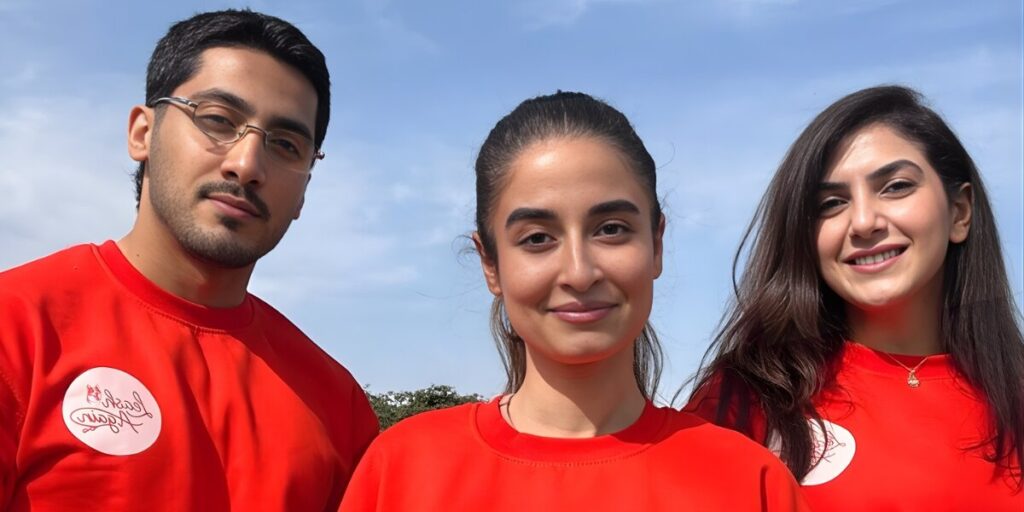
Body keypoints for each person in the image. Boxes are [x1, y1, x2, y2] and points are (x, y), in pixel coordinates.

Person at [340, 91, 808, 511]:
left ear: (656, 244)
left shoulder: (750, 482)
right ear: (490, 265)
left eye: (611, 229)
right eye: (538, 238)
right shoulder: (401, 470)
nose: (580, 273)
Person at [0, 9, 378, 510]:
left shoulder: (336, 405)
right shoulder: (16, 328)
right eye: (218, 120)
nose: (246, 164)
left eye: (286, 145)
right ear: (142, 133)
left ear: (306, 186)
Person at [686, 85, 1023, 510]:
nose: (863, 222)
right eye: (831, 203)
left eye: (896, 187)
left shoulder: (1013, 393)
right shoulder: (754, 395)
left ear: (960, 212)